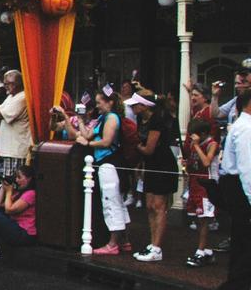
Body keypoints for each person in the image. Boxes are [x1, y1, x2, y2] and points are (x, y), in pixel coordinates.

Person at [59, 90, 131, 255]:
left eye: (99, 102)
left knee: (111, 203)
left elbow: (106, 142)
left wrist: (88, 144)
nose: (97, 106)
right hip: (104, 163)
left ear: (110, 102)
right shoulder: (102, 118)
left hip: (110, 164)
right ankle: (125, 240)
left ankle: (113, 244)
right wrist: (82, 120)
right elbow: (88, 134)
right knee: (117, 202)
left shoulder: (112, 118)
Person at [214, 93, 251, 290]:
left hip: (236, 187)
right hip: (240, 190)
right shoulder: (246, 129)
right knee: (246, 246)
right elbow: (248, 171)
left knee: (243, 243)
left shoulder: (241, 126)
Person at [132, 93, 178, 263]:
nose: (132, 108)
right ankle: (152, 244)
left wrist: (135, 145)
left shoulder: (157, 121)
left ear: (144, 106)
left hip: (162, 165)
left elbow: (149, 149)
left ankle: (158, 248)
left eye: (135, 105)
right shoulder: (139, 120)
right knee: (150, 206)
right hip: (150, 166)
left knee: (159, 206)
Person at [183, 118, 219, 267]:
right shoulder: (193, 144)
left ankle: (201, 250)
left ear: (203, 133)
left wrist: (196, 146)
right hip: (195, 183)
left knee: (204, 220)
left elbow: (206, 162)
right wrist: (187, 164)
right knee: (198, 219)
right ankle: (207, 251)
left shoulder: (212, 144)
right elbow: (194, 164)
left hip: (207, 186)